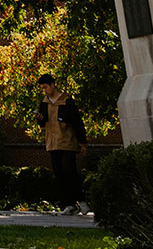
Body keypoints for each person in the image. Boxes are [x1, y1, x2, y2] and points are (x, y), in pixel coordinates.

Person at [35, 73, 89, 213]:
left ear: (53, 85)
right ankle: (69, 204)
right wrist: (40, 119)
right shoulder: (44, 103)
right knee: (59, 173)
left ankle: (82, 200)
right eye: (42, 88)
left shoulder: (66, 101)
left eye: (46, 87)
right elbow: (42, 123)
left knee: (69, 171)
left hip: (67, 141)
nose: (44, 90)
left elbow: (77, 122)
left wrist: (82, 142)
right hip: (52, 142)